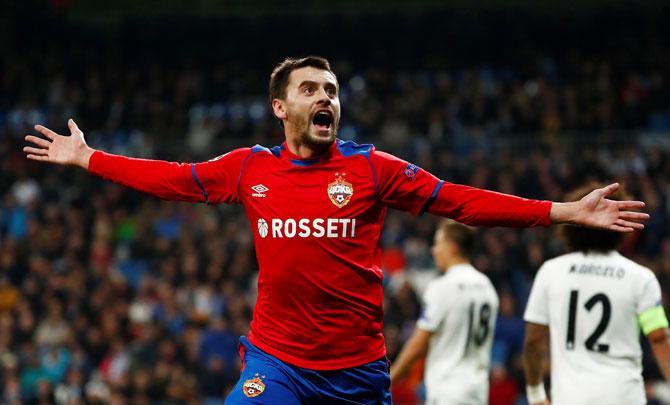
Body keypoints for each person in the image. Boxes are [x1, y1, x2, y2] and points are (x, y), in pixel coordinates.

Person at [24, 56, 648, 404]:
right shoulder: (249, 168)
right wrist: (88, 159)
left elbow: (462, 202)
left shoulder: (374, 168)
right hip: (277, 359)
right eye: (311, 89)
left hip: (357, 372)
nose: (326, 97)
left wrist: (561, 212)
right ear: (282, 107)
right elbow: (172, 178)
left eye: (332, 90)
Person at [522, 184, 670, 405]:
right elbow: (658, 338)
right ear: (619, 226)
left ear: (571, 225)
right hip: (624, 396)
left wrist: (535, 395)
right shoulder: (640, 278)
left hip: (571, 398)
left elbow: (534, 340)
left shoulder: (551, 272)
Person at [390, 219, 499, 405]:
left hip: (447, 391)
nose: (434, 250)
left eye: (438, 243)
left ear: (453, 248)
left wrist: (389, 379)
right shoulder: (487, 287)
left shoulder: (442, 287)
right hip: (478, 392)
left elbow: (418, 344)